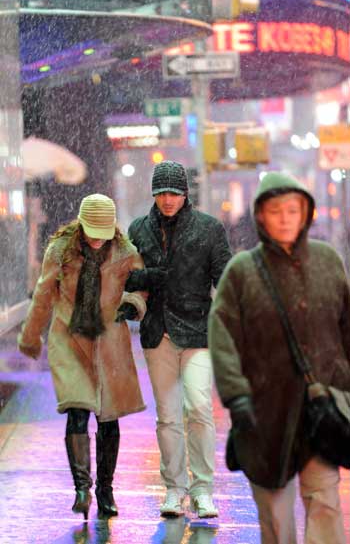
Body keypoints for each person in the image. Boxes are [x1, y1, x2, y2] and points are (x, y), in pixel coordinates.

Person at [208, 171, 350, 543]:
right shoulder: (242, 271)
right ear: (260, 216)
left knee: (325, 501)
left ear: (305, 214)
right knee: (275, 515)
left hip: (321, 407)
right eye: (276, 211)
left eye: (293, 210)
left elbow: (346, 327)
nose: (286, 218)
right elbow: (223, 335)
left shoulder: (327, 261)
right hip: (264, 413)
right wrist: (237, 395)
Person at [17, 193, 147, 520]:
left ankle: (105, 489)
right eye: (91, 231)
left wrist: (133, 303)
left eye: (102, 233)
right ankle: (81, 487)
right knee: (77, 410)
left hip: (110, 340)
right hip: (69, 337)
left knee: (109, 416)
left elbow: (140, 286)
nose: (95, 239)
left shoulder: (126, 252)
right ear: (81, 224)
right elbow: (44, 295)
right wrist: (31, 336)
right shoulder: (60, 250)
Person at [125, 161, 231, 518]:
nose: (168, 199)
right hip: (158, 333)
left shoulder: (209, 229)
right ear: (153, 194)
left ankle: (203, 488)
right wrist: (142, 283)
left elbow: (225, 277)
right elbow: (127, 276)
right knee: (168, 416)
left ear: (186, 193)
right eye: (161, 193)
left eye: (173, 192)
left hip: (198, 329)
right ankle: (174, 489)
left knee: (199, 407)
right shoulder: (138, 229)